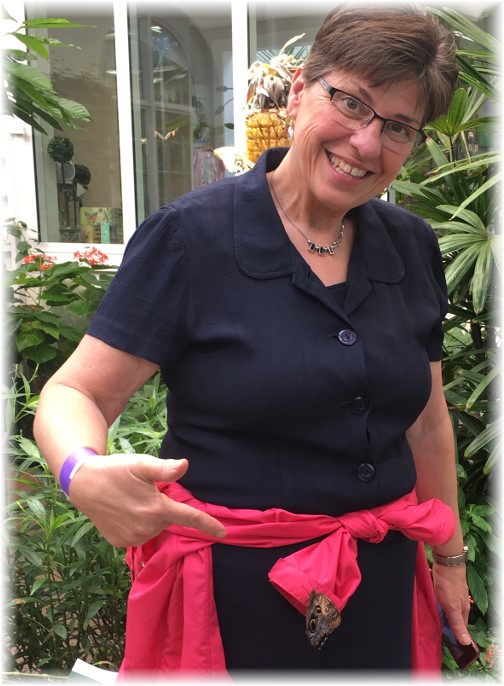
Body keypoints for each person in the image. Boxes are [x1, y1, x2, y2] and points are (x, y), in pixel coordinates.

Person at [34, 2, 474, 674]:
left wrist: (449, 561)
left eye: (397, 126)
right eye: (351, 102)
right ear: (298, 91)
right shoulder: (191, 237)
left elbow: (427, 425)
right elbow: (76, 392)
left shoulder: (411, 246)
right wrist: (81, 471)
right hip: (231, 602)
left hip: (380, 587)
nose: (366, 142)